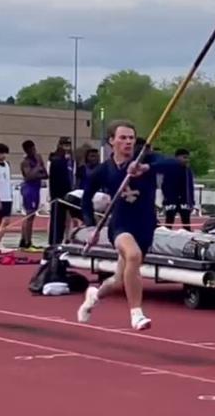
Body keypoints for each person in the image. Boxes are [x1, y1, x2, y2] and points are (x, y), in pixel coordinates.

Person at [75, 119, 189, 331]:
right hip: (120, 225)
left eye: (131, 138)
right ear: (111, 141)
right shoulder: (103, 170)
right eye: (123, 138)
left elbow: (176, 165)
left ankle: (94, 296)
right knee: (133, 255)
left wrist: (147, 168)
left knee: (119, 279)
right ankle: (136, 314)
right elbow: (86, 198)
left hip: (145, 226)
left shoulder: (146, 159)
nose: (128, 142)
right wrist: (90, 226)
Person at [17, 140, 48, 250]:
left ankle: (24, 240)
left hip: (36, 188)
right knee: (29, 216)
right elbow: (29, 176)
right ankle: (27, 242)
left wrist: (39, 169)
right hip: (29, 189)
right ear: (27, 150)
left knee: (31, 215)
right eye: (31, 149)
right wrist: (38, 167)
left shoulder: (38, 158)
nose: (34, 151)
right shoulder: (25, 162)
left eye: (34, 148)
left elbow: (45, 175)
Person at [47, 136, 74, 245]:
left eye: (68, 145)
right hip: (58, 195)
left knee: (66, 221)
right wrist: (54, 196)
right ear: (60, 145)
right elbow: (54, 180)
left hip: (69, 194)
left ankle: (64, 240)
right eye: (65, 145)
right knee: (57, 220)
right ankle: (54, 242)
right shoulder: (56, 160)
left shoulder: (70, 161)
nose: (67, 148)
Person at [160, 148, 195, 229]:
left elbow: (190, 187)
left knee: (186, 221)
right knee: (169, 220)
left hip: (184, 200)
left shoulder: (187, 170)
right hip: (171, 199)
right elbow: (164, 185)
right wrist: (166, 199)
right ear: (177, 157)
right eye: (184, 157)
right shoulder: (169, 169)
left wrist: (191, 201)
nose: (186, 160)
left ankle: (187, 234)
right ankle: (166, 235)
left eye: (187, 158)